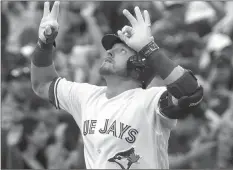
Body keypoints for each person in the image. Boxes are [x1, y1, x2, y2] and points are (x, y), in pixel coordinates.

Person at [30, 1, 203, 169]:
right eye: (110, 49)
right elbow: (42, 84)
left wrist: (149, 49)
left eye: (121, 50)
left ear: (138, 67)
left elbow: (190, 93)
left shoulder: (150, 100)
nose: (109, 51)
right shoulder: (86, 96)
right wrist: (44, 45)